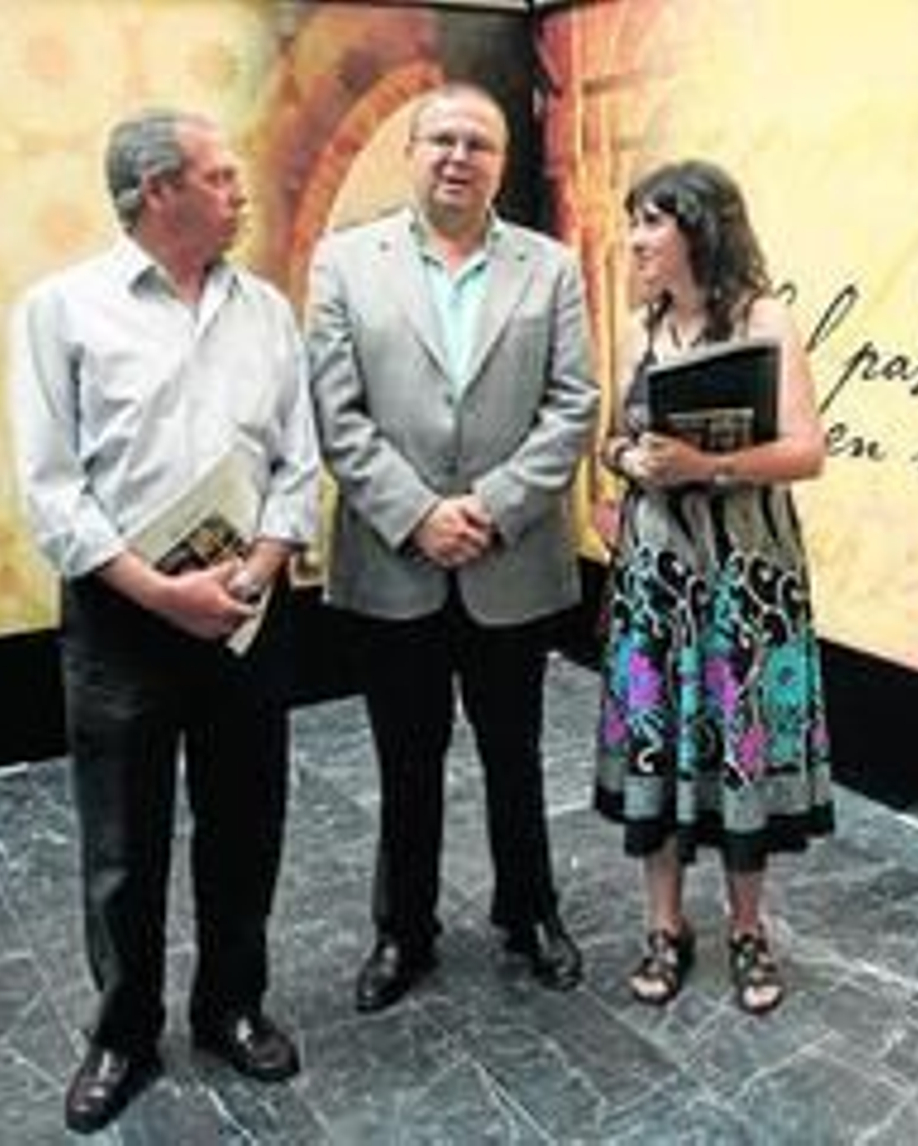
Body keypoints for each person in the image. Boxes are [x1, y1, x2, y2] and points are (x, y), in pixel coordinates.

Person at [4, 108, 318, 1134]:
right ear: (157, 194)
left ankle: (231, 1004)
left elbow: (297, 461)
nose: (240, 191)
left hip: (245, 609)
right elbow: (51, 490)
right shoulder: (59, 311)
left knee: (245, 823)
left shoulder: (266, 311)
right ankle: (121, 1033)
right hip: (122, 616)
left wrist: (262, 564)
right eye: (220, 176)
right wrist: (155, 589)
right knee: (121, 844)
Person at [306, 81, 598, 1012]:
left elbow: (574, 404)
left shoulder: (548, 267)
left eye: (479, 143)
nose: (459, 156)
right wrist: (418, 513)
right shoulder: (346, 264)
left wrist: (492, 506)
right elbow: (335, 411)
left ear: (500, 164)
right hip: (396, 561)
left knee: (515, 753)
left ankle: (531, 913)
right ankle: (404, 932)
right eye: (443, 139)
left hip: (509, 564)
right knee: (406, 759)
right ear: (412, 152)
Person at [592, 159, 834, 1016]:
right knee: (659, 746)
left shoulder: (766, 319)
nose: (636, 242)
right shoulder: (638, 328)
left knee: (739, 745)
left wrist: (707, 465)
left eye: (651, 223)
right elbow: (610, 442)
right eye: (633, 224)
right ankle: (664, 925)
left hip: (747, 577)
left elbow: (807, 451)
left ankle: (745, 928)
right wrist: (630, 461)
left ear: (700, 227)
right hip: (657, 575)